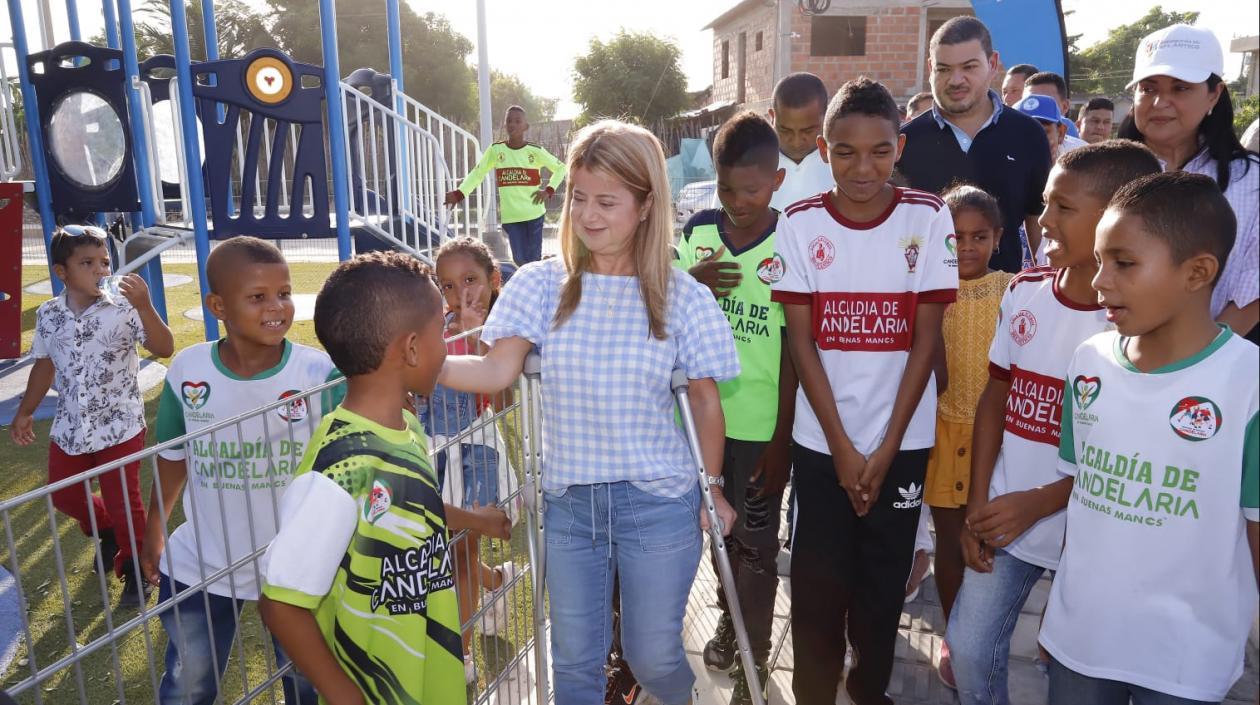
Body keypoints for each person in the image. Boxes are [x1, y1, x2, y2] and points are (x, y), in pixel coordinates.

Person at [438, 119, 740, 705]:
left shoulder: (684, 296)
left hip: (657, 501)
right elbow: (497, 371)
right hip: (571, 502)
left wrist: (716, 487)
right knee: (574, 663)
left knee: (653, 658)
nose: (588, 214)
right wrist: (420, 364)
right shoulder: (538, 284)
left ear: (647, 204)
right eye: (578, 197)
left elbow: (704, 399)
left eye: (607, 201)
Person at [945, 141, 1162, 705]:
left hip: (1092, 537)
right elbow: (997, 395)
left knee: (1071, 677)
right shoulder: (1025, 293)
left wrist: (1042, 502)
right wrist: (979, 502)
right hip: (1006, 519)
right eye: (1046, 204)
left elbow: (1135, 453)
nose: (1044, 221)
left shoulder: (1142, 327)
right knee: (968, 650)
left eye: (1064, 208)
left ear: (1118, 217)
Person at [771, 76, 959, 705]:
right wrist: (845, 449)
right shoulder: (798, 224)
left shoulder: (928, 217)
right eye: (845, 152)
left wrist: (884, 449)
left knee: (882, 592)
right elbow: (802, 343)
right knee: (818, 592)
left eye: (880, 150)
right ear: (823, 152)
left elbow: (924, 341)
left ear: (899, 146)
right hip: (821, 445)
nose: (863, 166)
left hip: (902, 445)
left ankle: (869, 690)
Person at [1045, 171, 1259, 704]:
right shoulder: (1088, 361)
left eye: (1123, 262)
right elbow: (1082, 498)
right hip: (1080, 643)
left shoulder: (1248, 384)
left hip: (1185, 661)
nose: (1099, 281)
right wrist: (1059, 617)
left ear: (1198, 272)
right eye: (1098, 261)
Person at [259, 251, 465, 704]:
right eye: (441, 332)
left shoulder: (405, 428)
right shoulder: (340, 469)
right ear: (411, 348)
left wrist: (477, 520)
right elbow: (282, 603)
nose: (446, 344)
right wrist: (346, 697)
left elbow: (407, 513)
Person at [141, 237, 326, 705]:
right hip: (201, 564)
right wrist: (154, 528)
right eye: (258, 296)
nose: (277, 307)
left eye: (283, 292)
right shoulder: (188, 369)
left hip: (295, 566)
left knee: (307, 682)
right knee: (189, 683)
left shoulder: (319, 374)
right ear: (217, 305)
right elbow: (172, 457)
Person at [677, 111, 795, 705]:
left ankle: (750, 662)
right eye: (727, 188)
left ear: (776, 181)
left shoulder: (792, 239)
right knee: (701, 540)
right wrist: (690, 281)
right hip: (690, 425)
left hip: (757, 427)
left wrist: (782, 440)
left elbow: (798, 348)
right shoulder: (697, 231)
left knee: (753, 545)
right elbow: (660, 312)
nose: (738, 201)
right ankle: (723, 619)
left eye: (751, 190)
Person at [11, 225, 174, 606]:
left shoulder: (125, 308)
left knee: (124, 499)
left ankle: (138, 570)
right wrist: (25, 413)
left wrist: (146, 306)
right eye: (87, 263)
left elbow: (165, 348)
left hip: (121, 426)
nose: (100, 270)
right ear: (62, 272)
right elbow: (43, 367)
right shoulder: (50, 314)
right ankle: (111, 530)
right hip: (70, 428)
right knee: (64, 494)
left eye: (104, 261)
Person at [1119, 23, 1259, 344]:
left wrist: (1194, 360)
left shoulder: (1251, 182)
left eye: (1180, 88)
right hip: (1108, 362)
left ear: (1214, 94)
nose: (1159, 102)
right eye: (1148, 88)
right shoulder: (1100, 174)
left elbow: (1254, 287)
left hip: (1216, 368)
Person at [925, 184, 1013, 689]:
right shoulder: (930, 291)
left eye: (979, 236)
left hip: (993, 436)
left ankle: (983, 630)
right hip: (940, 430)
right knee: (951, 540)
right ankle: (956, 634)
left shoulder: (1012, 289)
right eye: (955, 237)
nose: (966, 248)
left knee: (987, 534)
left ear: (997, 238)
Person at [424, 236, 519, 680]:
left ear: (493, 280)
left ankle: (459, 652)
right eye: (446, 285)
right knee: (434, 545)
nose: (459, 293)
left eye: (470, 281)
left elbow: (500, 403)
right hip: (427, 446)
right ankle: (497, 581)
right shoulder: (429, 326)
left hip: (473, 445)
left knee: (461, 549)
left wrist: (479, 338)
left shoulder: (504, 330)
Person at [899, 17, 1052, 274]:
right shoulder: (905, 141)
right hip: (924, 303)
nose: (956, 80)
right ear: (930, 68)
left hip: (1004, 303)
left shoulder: (1028, 134)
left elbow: (1038, 221)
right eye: (944, 69)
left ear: (992, 64)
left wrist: (1043, 289)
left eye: (969, 67)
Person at [444, 105, 567, 265]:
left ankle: (534, 288)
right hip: (512, 217)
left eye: (517, 121)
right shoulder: (496, 150)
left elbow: (561, 168)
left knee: (534, 261)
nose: (513, 124)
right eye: (509, 121)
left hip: (534, 214)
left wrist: (548, 190)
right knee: (520, 259)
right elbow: (478, 173)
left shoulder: (535, 151)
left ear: (525, 126)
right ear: (505, 125)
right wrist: (459, 193)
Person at [767, 72, 836, 211]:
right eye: (785, 130)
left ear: (827, 117)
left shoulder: (841, 165)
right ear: (772, 117)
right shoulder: (752, 163)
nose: (796, 142)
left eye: (808, 131)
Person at [1024, 71, 1084, 141]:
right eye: (1031, 102)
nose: (1037, 108)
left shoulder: (1077, 147)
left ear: (1065, 106)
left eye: (1046, 102)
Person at [1015, 94, 1069, 161]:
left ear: (1061, 133)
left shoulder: (1078, 168)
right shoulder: (1001, 169)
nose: (1032, 139)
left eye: (1041, 131)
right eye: (1023, 133)